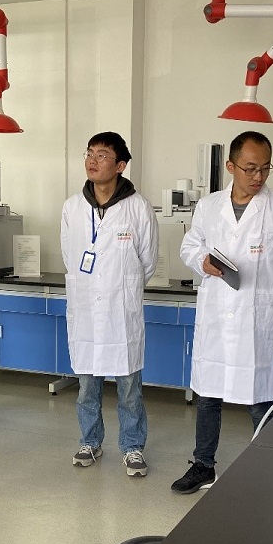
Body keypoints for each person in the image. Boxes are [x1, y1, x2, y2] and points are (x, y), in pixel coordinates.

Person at [172, 130, 273, 494]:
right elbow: (190, 245)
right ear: (231, 166)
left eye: (265, 168)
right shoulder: (208, 206)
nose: (258, 176)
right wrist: (202, 260)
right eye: (250, 168)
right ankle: (203, 466)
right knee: (207, 396)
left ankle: (271, 469)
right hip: (217, 314)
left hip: (255, 318)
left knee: (260, 398)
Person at [60, 131, 158, 476]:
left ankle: (132, 447)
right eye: (89, 153)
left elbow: (148, 261)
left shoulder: (138, 207)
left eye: (102, 155)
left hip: (121, 312)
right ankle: (90, 441)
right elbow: (69, 256)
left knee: (129, 389)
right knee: (87, 387)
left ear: (120, 165)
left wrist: (122, 287)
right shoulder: (72, 207)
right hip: (86, 309)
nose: (92, 160)